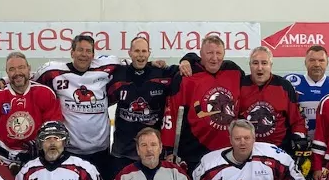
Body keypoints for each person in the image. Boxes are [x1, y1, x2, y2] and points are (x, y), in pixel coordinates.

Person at [36, 34, 121, 180]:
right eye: (80, 50)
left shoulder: (106, 68)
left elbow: (135, 64)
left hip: (100, 150)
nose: (84, 54)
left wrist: (155, 64)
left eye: (88, 51)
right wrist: (5, 81)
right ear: (72, 52)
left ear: (93, 55)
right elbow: (27, 79)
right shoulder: (53, 72)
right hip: (70, 149)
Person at [161, 34, 244, 171]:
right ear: (201, 54)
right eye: (209, 53)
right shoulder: (187, 75)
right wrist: (168, 149)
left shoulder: (234, 71)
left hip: (227, 152)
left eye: (218, 53)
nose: (214, 58)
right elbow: (172, 112)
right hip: (193, 153)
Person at [0, 51, 63, 174]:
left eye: (21, 68)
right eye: (12, 69)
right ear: (7, 73)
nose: (17, 72)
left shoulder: (45, 93)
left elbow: (53, 128)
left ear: (29, 69)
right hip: (1, 159)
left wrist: (41, 147)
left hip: (36, 160)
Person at [108, 35, 181, 170]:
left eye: (144, 51)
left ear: (149, 53)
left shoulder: (161, 74)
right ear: (129, 53)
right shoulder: (118, 74)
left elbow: (184, 69)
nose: (140, 55)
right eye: (136, 51)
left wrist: (188, 60)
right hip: (123, 151)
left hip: (151, 151)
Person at [238, 46, 309, 163]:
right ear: (249, 65)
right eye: (255, 63)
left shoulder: (284, 86)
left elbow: (296, 118)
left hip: (278, 150)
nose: (259, 68)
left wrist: (299, 136)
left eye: (264, 63)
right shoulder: (240, 85)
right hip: (247, 151)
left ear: (271, 65)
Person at [285, 45, 329, 141]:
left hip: (328, 143)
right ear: (305, 62)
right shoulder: (290, 83)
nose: (317, 64)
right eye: (312, 60)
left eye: (321, 60)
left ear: (327, 63)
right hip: (297, 143)